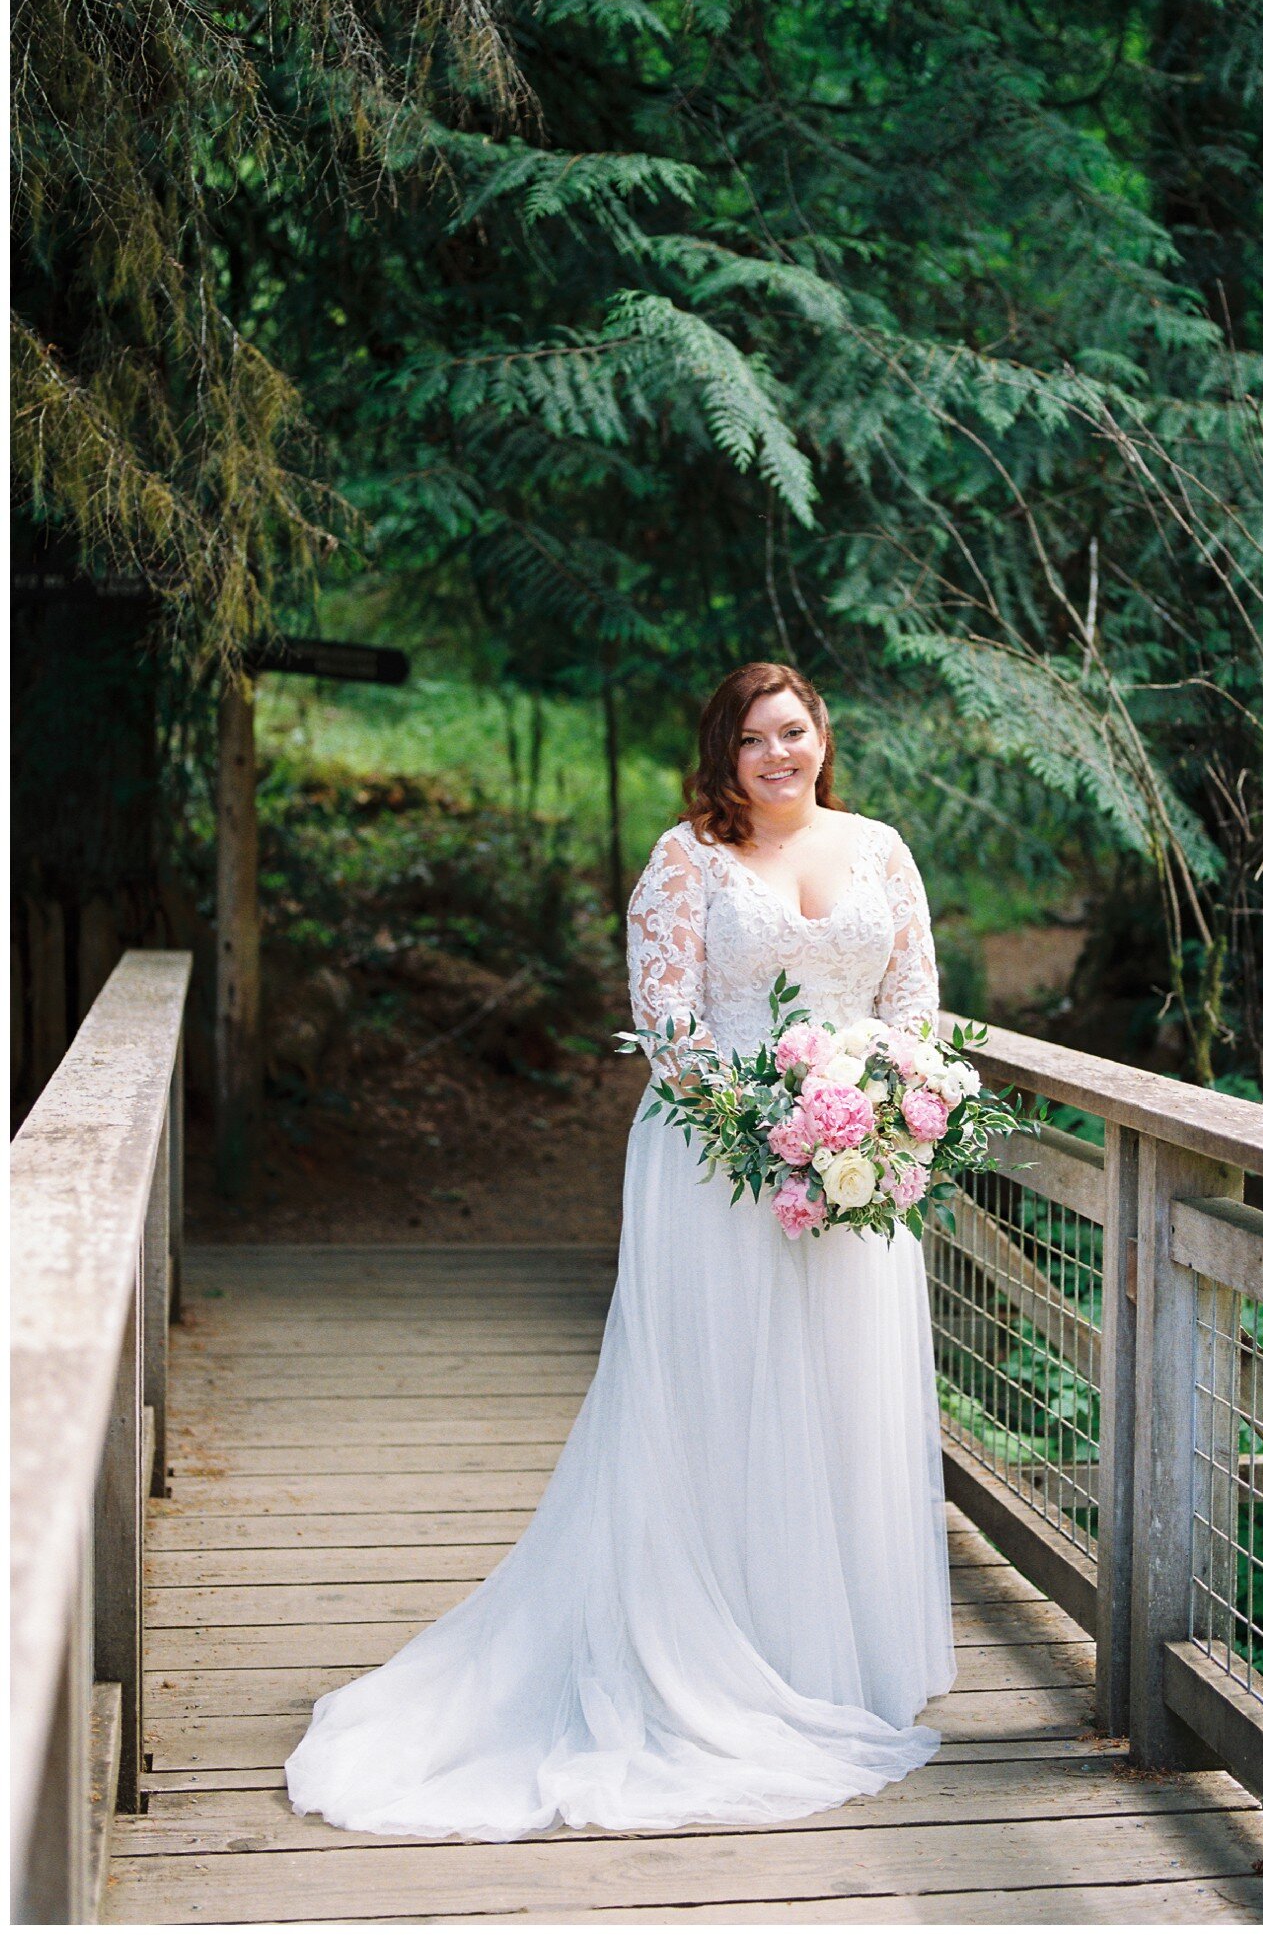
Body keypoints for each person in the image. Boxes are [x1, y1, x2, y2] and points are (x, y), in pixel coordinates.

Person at [283, 660, 957, 1840]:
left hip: (854, 1178)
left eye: (794, 731)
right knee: (723, 1406)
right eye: (754, 739)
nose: (779, 754)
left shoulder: (882, 850)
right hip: (717, 1169)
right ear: (723, 752)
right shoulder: (686, 860)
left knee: (841, 1402)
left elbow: (913, 1007)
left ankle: (836, 1663)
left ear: (822, 734)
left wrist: (881, 1104)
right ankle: (713, 1653)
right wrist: (774, 1122)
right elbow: (671, 1025)